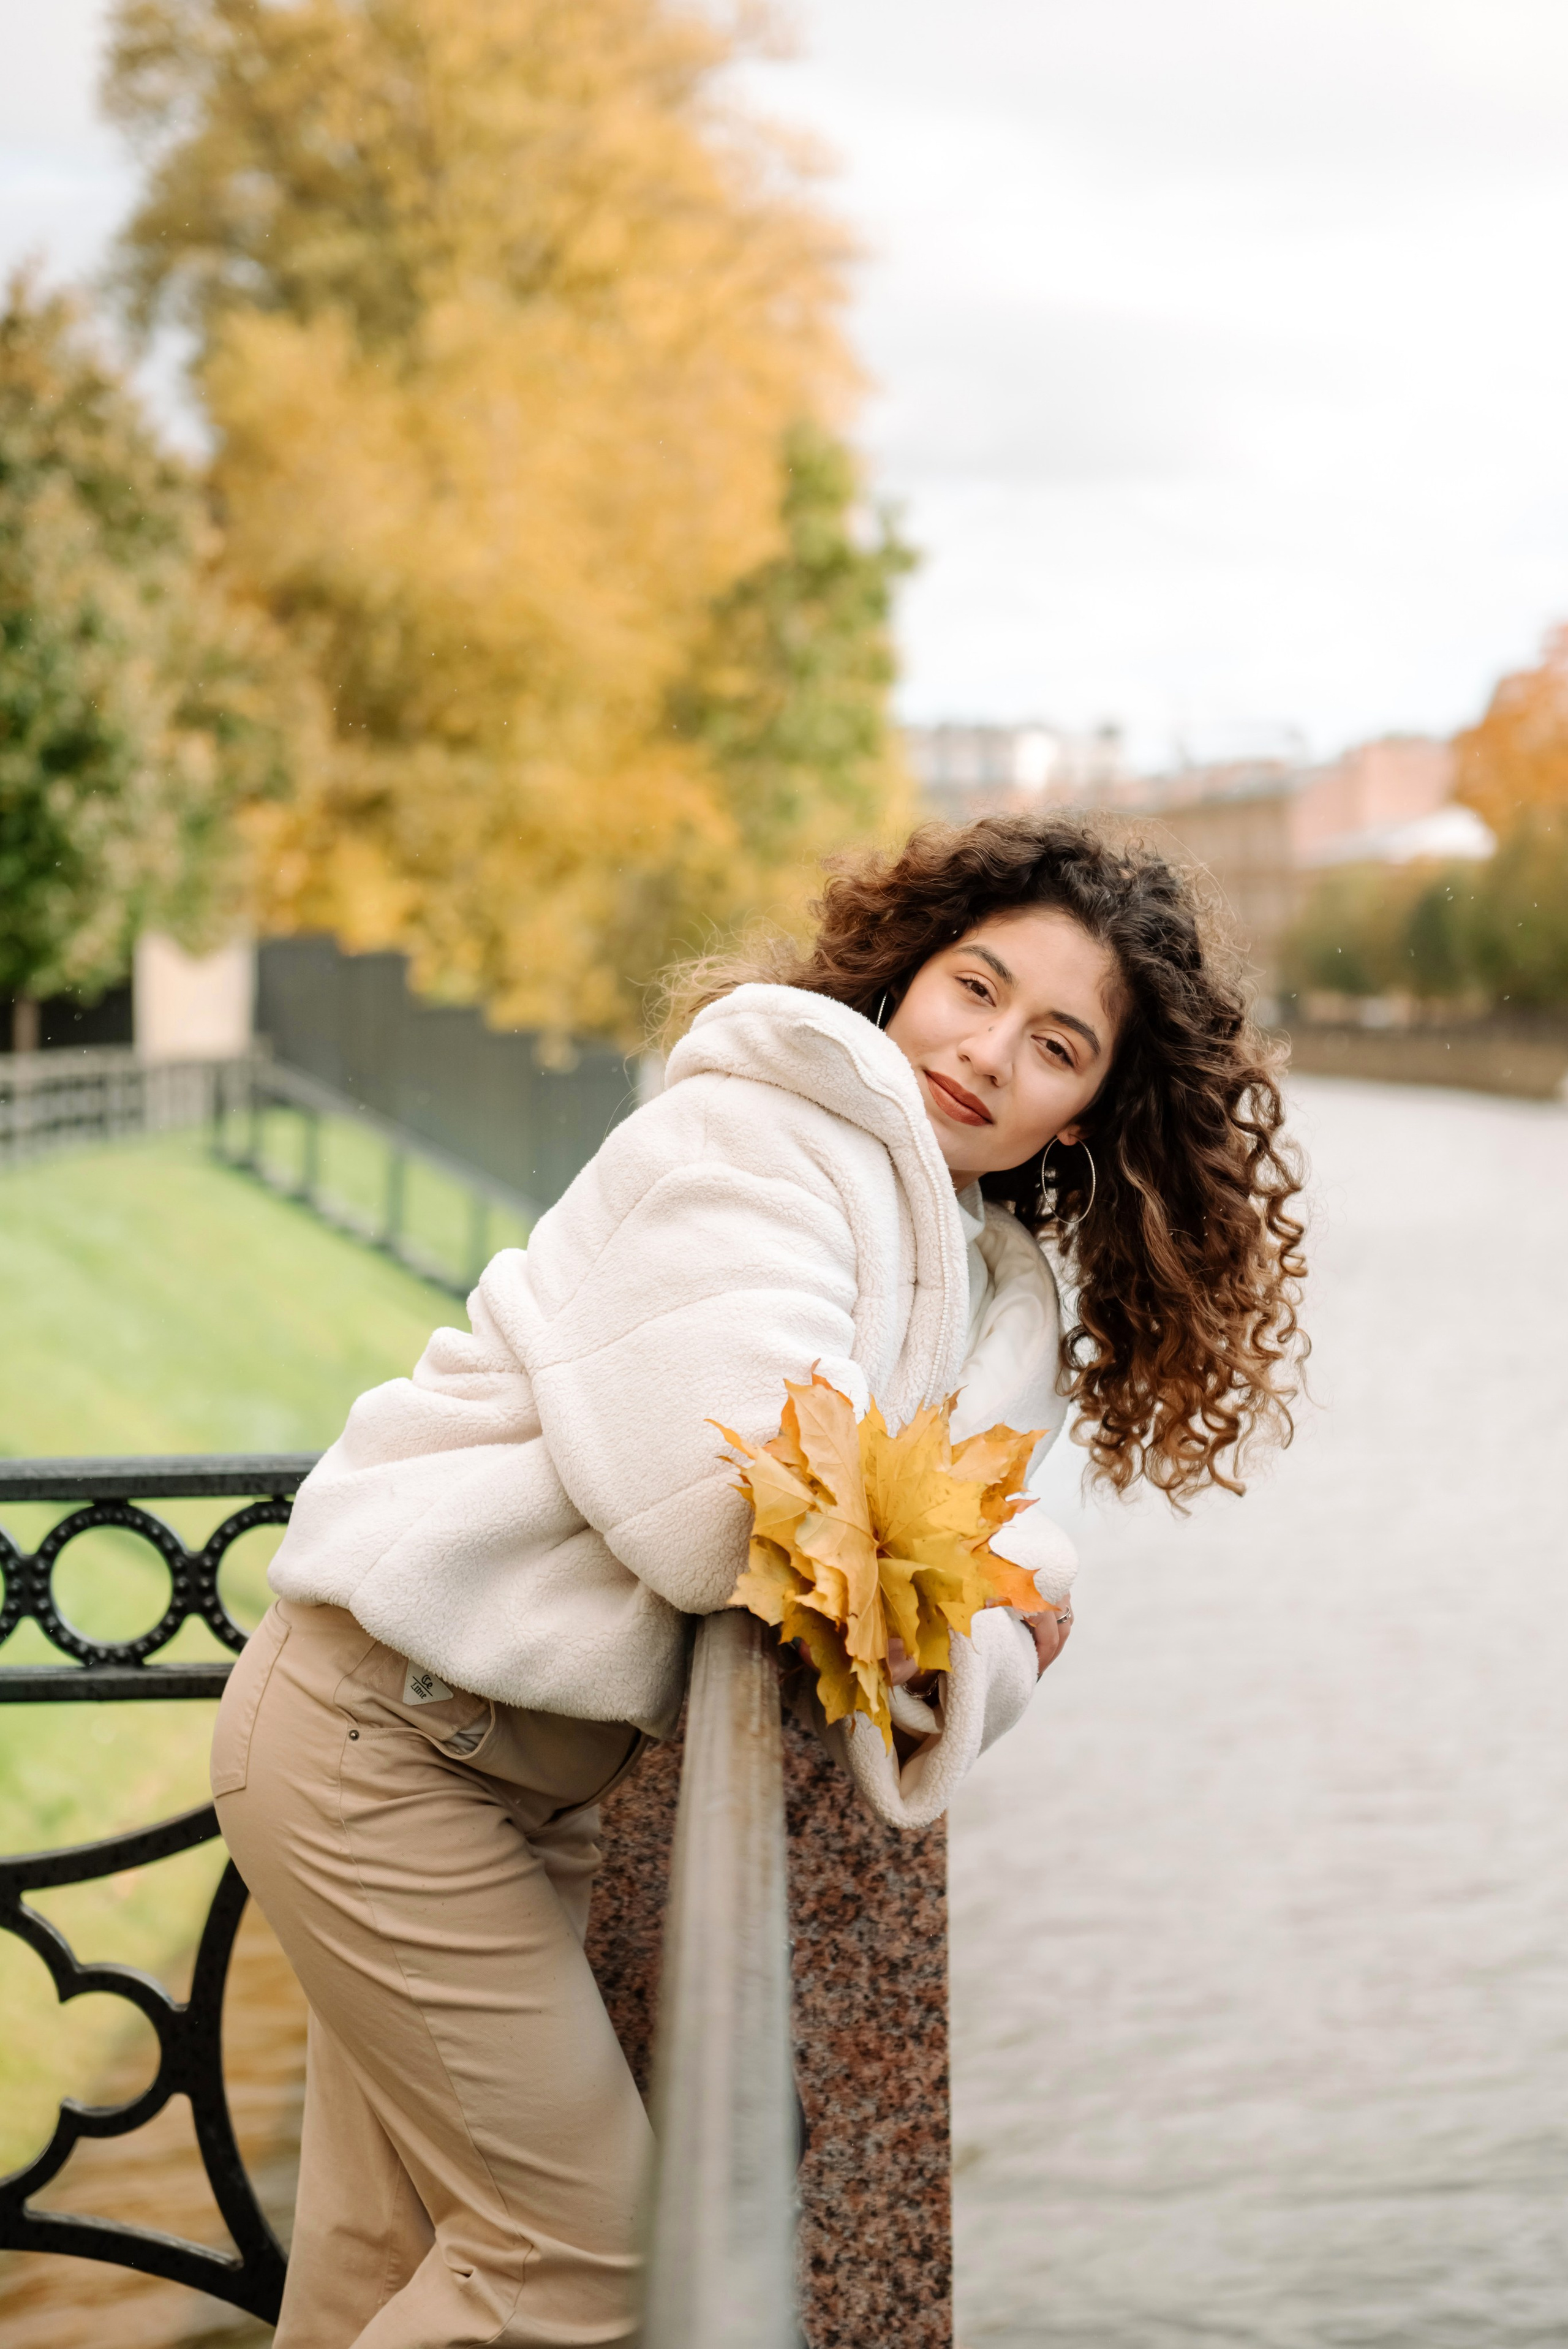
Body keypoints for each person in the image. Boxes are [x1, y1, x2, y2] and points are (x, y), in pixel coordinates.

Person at [212, 813, 1305, 2348]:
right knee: (581, 2264)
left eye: (1055, 1045)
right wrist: (987, 1605)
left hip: (510, 1774)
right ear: (905, 975)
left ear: (1082, 1116)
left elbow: (976, 1536)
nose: (989, 1052)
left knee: (376, 2267)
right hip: (379, 1740)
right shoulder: (756, 1136)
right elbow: (739, 1506)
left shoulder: (976, 1272)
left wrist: (976, 1588)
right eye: (975, 987)